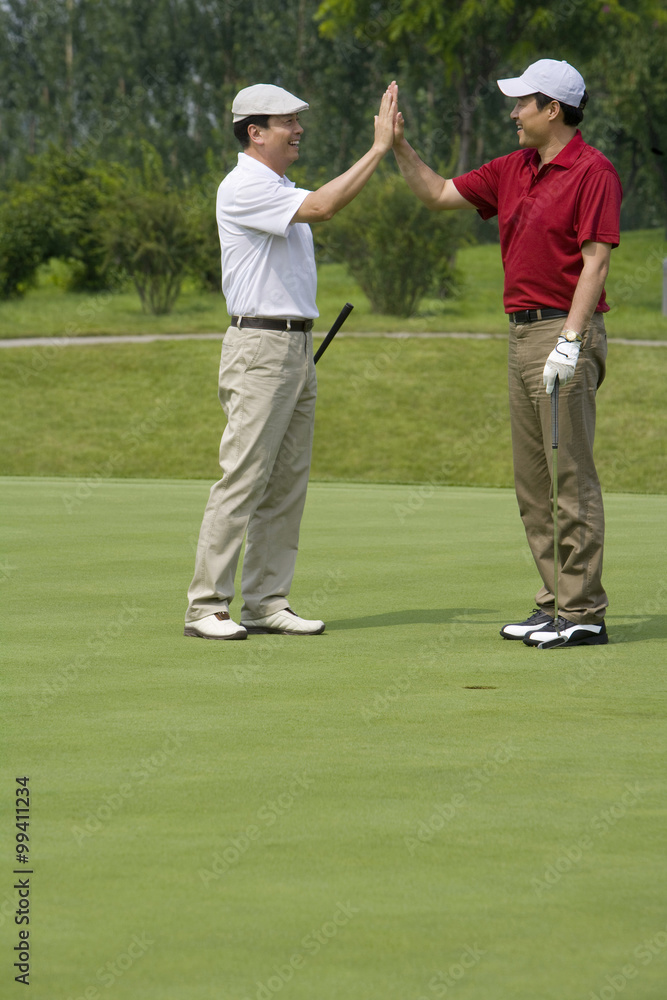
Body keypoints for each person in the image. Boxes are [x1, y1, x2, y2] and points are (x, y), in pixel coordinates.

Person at [390, 60, 622, 649]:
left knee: (570, 477)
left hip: (564, 333)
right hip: (520, 334)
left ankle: (584, 612)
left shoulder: (592, 170)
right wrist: (397, 144)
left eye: (523, 103)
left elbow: (595, 262)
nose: (512, 112)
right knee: (533, 483)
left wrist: (571, 341)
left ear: (553, 109)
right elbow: (439, 193)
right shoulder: (513, 168)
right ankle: (554, 602)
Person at [184, 82, 396, 640]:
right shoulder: (243, 187)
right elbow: (324, 207)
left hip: (296, 347)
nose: (298, 129)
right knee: (244, 479)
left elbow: (313, 203)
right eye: (286, 122)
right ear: (255, 132)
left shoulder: (278, 187)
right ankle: (206, 606)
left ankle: (264, 600)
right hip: (260, 348)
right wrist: (377, 150)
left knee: (286, 484)